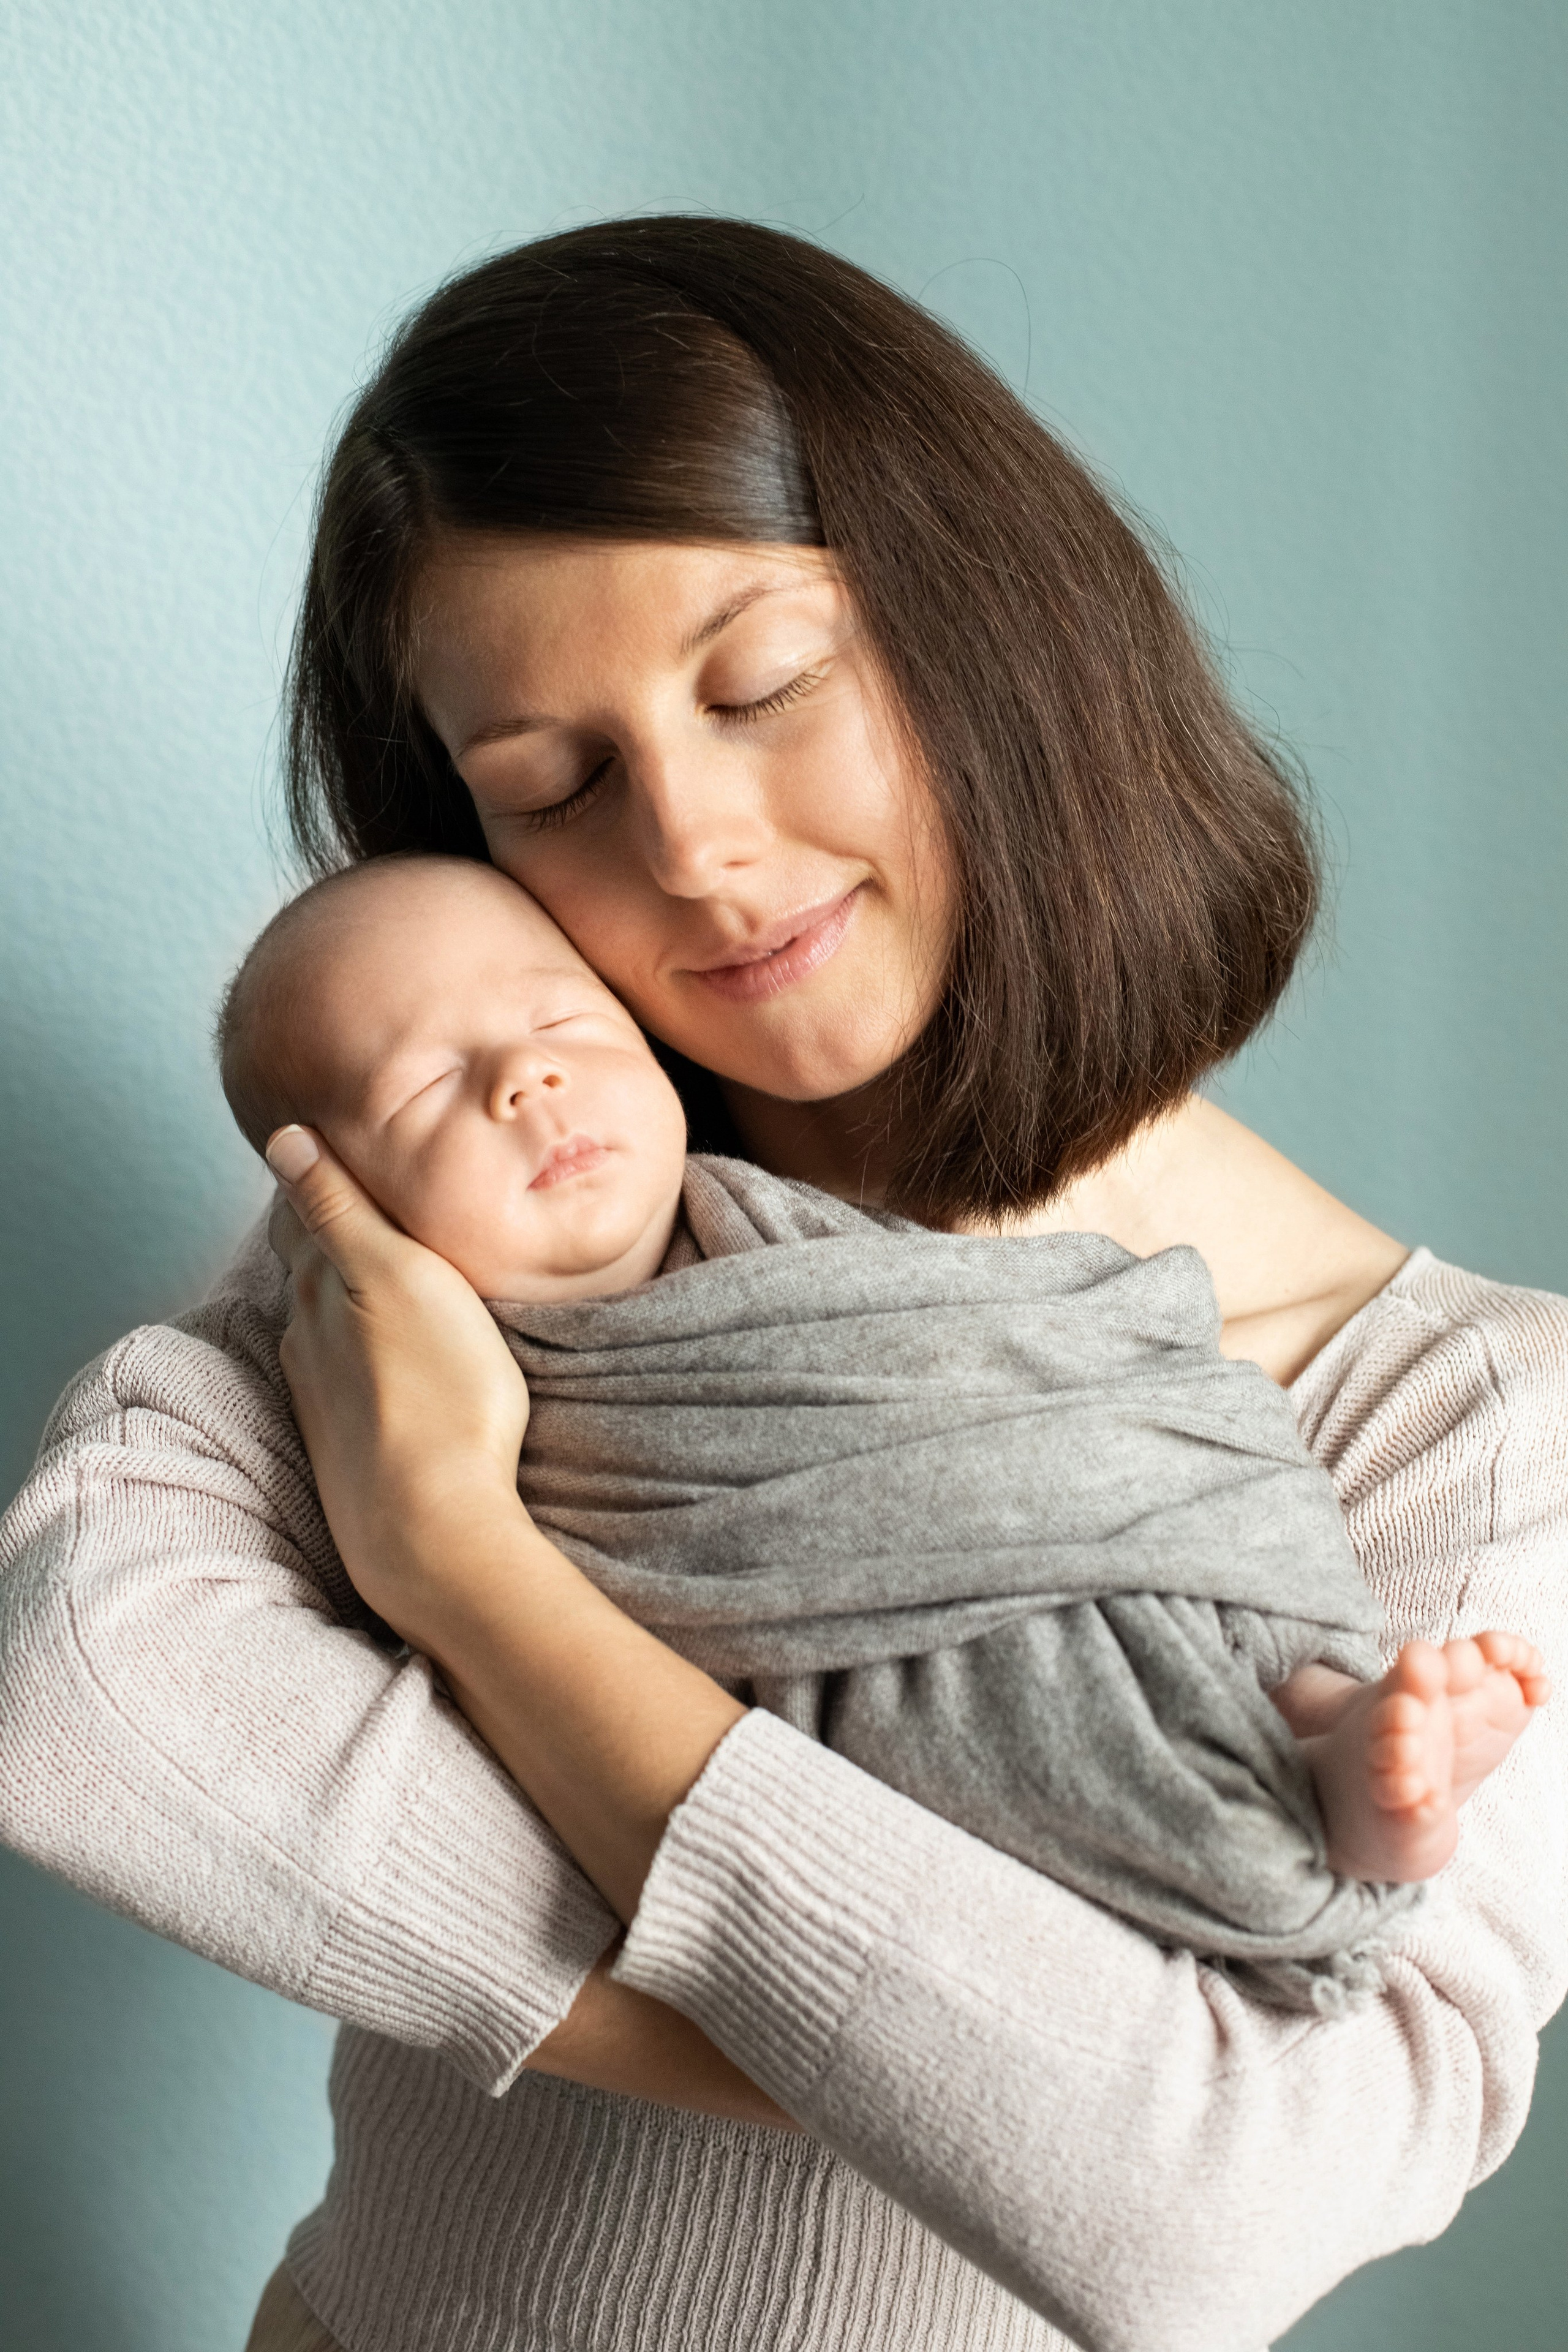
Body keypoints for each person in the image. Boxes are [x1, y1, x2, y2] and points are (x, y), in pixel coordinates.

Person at [1, 216, 1564, 2352]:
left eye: (765, 687)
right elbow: (85, 1688)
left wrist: (466, 1565)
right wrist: (984, 2059)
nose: (702, 850)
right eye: (557, 789)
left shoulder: (1466, 1416)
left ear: (992, 631)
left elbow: (1217, 2224)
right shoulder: (496, 1220)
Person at [217, 848, 1548, 1932]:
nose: (527, 1077)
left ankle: (1326, 1714)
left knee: (1169, 1559)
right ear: (336, 1212)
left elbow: (986, 1348)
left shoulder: (784, 1213)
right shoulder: (391, 1373)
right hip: (846, 1671)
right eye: (429, 1089)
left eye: (560, 1019)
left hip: (1046, 1502)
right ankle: (1299, 1799)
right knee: (989, 1725)